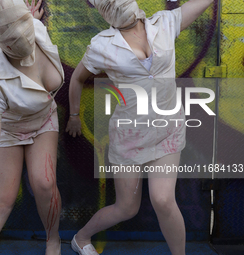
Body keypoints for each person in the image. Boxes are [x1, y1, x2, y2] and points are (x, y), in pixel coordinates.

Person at [65, 0, 213, 254]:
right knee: (127, 208)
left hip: (167, 129)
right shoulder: (102, 45)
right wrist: (74, 115)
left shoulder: (165, 24)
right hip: (129, 135)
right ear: (104, 11)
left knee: (163, 199)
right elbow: (77, 78)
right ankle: (80, 238)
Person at [0, 0, 63, 254]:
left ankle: (53, 238)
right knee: (1, 202)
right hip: (8, 129)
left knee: (44, 182)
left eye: (22, 24)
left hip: (43, 119)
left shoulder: (35, 28)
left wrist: (21, 17)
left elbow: (21, 24)